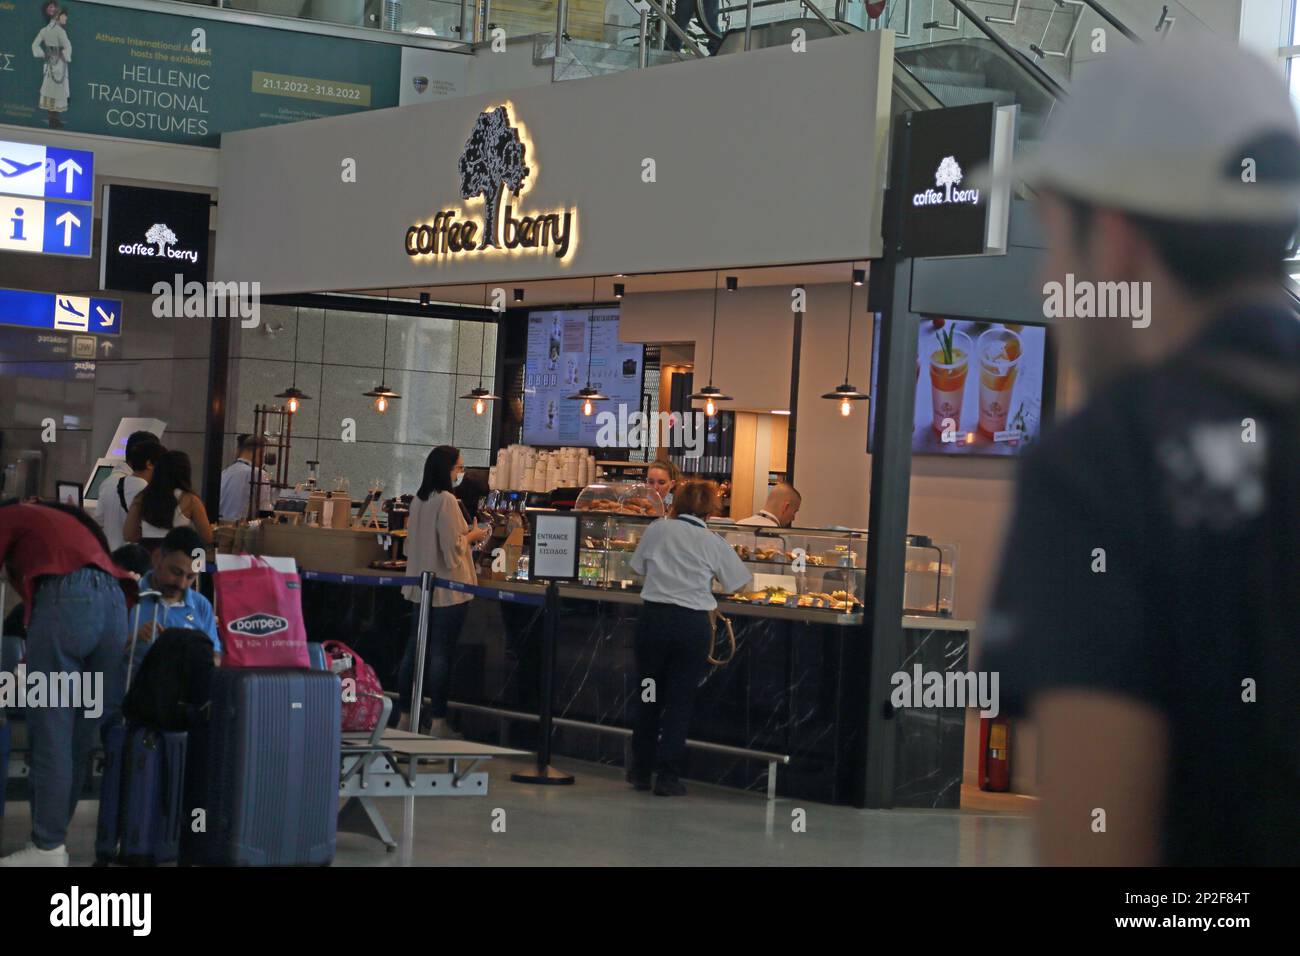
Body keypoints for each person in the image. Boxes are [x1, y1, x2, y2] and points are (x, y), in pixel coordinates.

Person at [978, 35, 1300, 865]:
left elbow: (1101, 844)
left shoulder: (1107, 462)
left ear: (1114, 239)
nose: (1048, 283)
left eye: (1054, 239)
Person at [0, 500, 137, 867]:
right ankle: (52, 844)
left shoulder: (9, 517)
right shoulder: (61, 526)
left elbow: (53, 609)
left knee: (51, 733)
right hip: (114, 607)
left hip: (70, 602)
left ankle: (47, 848)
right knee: (77, 736)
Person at [627, 480, 751, 796]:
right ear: (711, 509)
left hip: (654, 622)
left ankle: (640, 772)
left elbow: (636, 565)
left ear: (676, 503)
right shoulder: (713, 542)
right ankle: (667, 778)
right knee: (680, 702)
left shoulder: (657, 529)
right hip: (691, 626)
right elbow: (739, 582)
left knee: (648, 693)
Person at [398, 446, 490, 737]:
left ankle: (404, 716)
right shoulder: (448, 501)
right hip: (448, 592)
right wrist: (475, 536)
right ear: (446, 470)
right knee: (440, 656)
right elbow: (452, 550)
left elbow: (411, 546)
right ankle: (438, 722)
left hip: (419, 589)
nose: (460, 473)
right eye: (458, 468)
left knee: (413, 652)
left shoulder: (419, 500)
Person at [128, 527, 220, 676]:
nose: (181, 584)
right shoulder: (129, 596)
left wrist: (193, 653)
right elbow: (101, 655)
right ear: (157, 558)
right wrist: (134, 639)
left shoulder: (201, 606)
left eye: (190, 577)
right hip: (130, 695)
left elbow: (215, 658)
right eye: (176, 572)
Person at [124, 450, 212, 549]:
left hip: (148, 554)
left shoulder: (142, 497)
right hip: (177, 553)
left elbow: (129, 535)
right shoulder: (190, 499)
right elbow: (207, 537)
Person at [97, 435, 163, 551]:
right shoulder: (144, 488)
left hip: (109, 557)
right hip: (133, 559)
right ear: (149, 463)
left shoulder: (107, 482)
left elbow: (98, 522)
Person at [31, 6, 71, 129]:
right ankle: (54, 119)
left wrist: (43, 54)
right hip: (58, 63)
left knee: (50, 89)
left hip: (49, 63)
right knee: (57, 89)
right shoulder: (60, 31)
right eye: (64, 15)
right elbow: (67, 46)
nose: (66, 18)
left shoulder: (44, 30)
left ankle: (52, 119)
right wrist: (63, 56)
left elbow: (35, 45)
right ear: (59, 16)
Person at [218, 434, 273, 522]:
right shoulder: (258, 473)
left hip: (220, 525)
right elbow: (264, 510)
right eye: (263, 455)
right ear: (259, 451)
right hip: (242, 529)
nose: (263, 461)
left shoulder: (226, 472)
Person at [736, 482, 801, 528]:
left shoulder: (739, 525)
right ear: (785, 507)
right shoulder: (779, 537)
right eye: (794, 512)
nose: (793, 518)